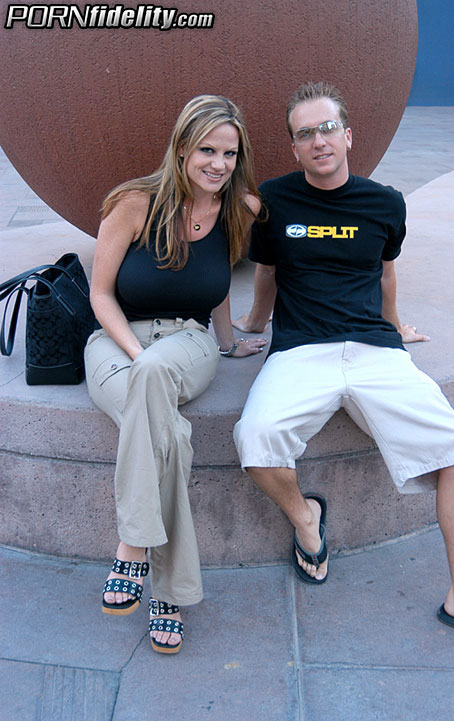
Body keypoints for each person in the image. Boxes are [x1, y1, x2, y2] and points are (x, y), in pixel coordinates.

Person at [233, 81, 454, 638]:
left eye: (327, 129)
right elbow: (267, 271)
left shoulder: (385, 203)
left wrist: (395, 323)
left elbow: (385, 270)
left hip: (375, 351)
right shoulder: (275, 200)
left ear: (347, 135)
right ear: (294, 147)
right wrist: (252, 323)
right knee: (254, 439)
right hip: (301, 351)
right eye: (305, 134)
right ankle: (307, 519)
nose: (318, 141)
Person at [84, 94, 266, 654]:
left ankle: (132, 547)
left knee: (156, 380)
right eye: (208, 150)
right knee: (171, 435)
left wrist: (230, 341)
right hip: (117, 342)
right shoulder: (133, 203)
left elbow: (217, 290)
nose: (219, 164)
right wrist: (136, 354)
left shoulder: (240, 208)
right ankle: (169, 591)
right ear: (182, 147)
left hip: (190, 342)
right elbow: (100, 294)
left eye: (230, 154)